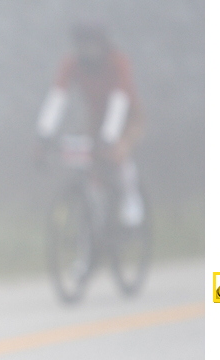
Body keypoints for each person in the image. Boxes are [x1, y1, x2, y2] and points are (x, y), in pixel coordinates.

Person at [35, 23, 145, 226]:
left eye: (92, 45)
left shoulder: (117, 62)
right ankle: (95, 217)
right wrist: (44, 135)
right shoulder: (72, 64)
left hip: (128, 116)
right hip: (96, 119)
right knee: (88, 162)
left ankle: (132, 201)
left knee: (118, 155)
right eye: (82, 45)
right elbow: (58, 98)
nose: (87, 51)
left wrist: (110, 137)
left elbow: (119, 100)